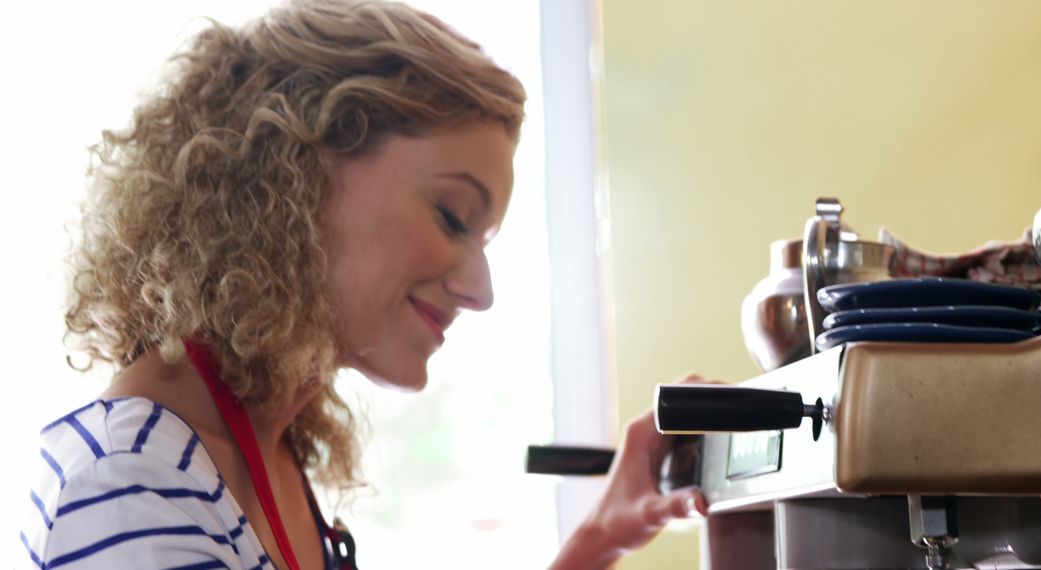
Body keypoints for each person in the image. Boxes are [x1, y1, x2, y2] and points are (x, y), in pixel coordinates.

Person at [19, 1, 706, 568]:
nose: (480, 288)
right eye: (452, 216)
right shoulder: (132, 484)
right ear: (300, 172)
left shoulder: (256, 452)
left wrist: (604, 534)